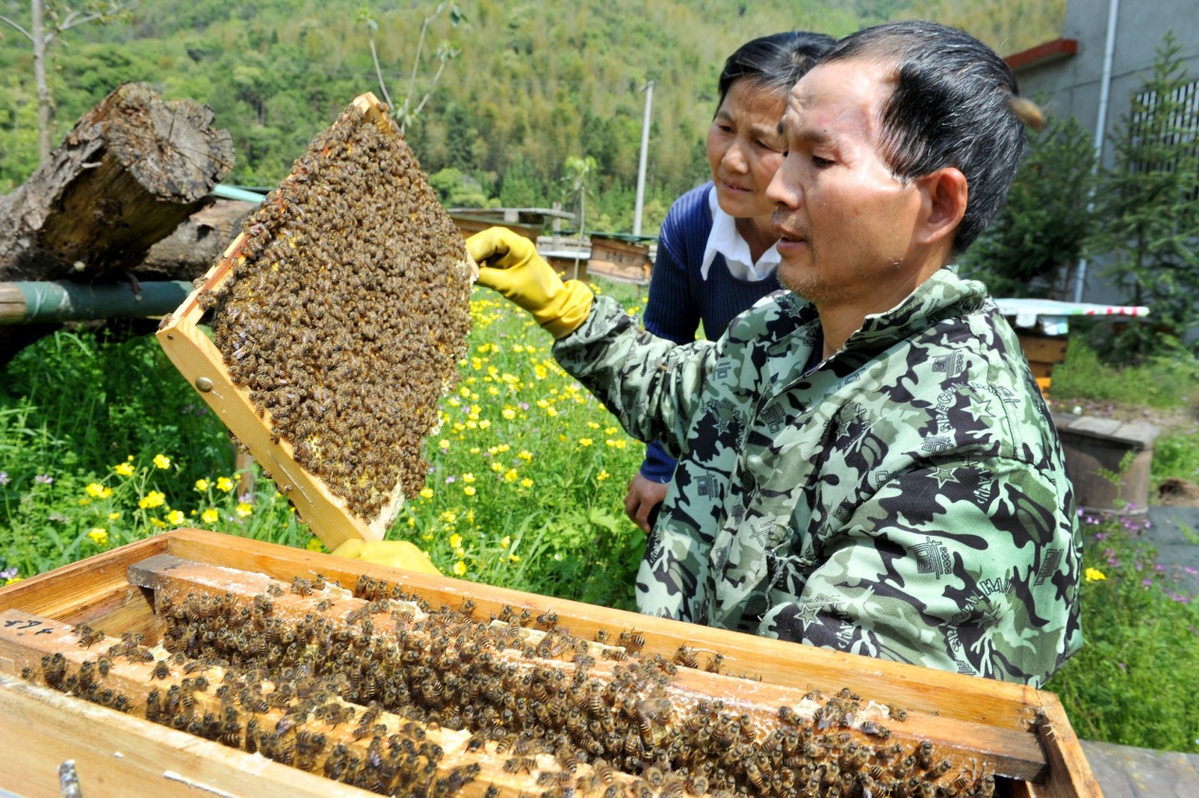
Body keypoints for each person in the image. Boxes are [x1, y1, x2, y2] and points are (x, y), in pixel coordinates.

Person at [466, 20, 1082, 687]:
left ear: (935, 204)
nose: (778, 188)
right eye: (782, 152)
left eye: (818, 160)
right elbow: (687, 398)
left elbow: (817, 718)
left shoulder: (967, 454)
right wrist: (561, 305)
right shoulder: (786, 326)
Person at [626, 31, 835, 535]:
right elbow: (663, 350)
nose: (732, 160)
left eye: (763, 143)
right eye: (724, 127)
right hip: (720, 431)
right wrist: (660, 469)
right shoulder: (690, 224)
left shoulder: (835, 246)